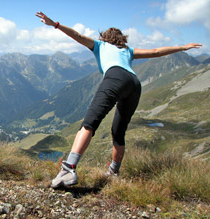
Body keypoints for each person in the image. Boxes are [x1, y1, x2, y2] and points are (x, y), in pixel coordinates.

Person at [35, 12, 202, 189]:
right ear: (121, 39)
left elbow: (78, 36)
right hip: (134, 84)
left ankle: (69, 169)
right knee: (118, 131)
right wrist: (183, 47)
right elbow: (156, 52)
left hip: (115, 77)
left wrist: (56, 24)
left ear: (105, 38)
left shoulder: (100, 45)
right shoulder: (128, 51)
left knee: (89, 124)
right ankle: (114, 172)